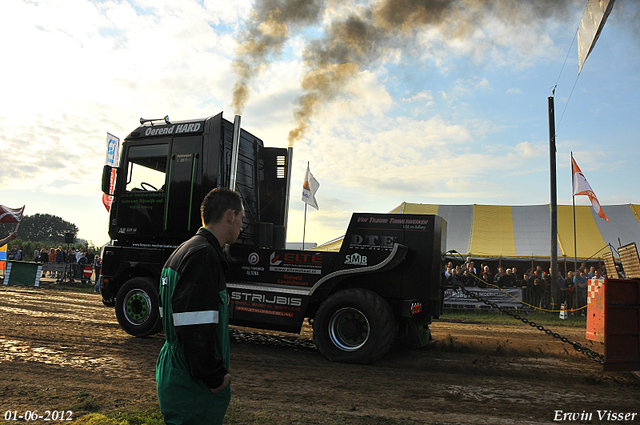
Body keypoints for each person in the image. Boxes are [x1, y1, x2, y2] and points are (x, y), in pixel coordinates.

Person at [156, 188, 244, 425]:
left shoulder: (183, 250)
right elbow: (194, 330)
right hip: (193, 383)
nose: (241, 226)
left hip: (177, 372)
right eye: (241, 219)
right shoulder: (204, 256)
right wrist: (216, 380)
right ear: (230, 216)